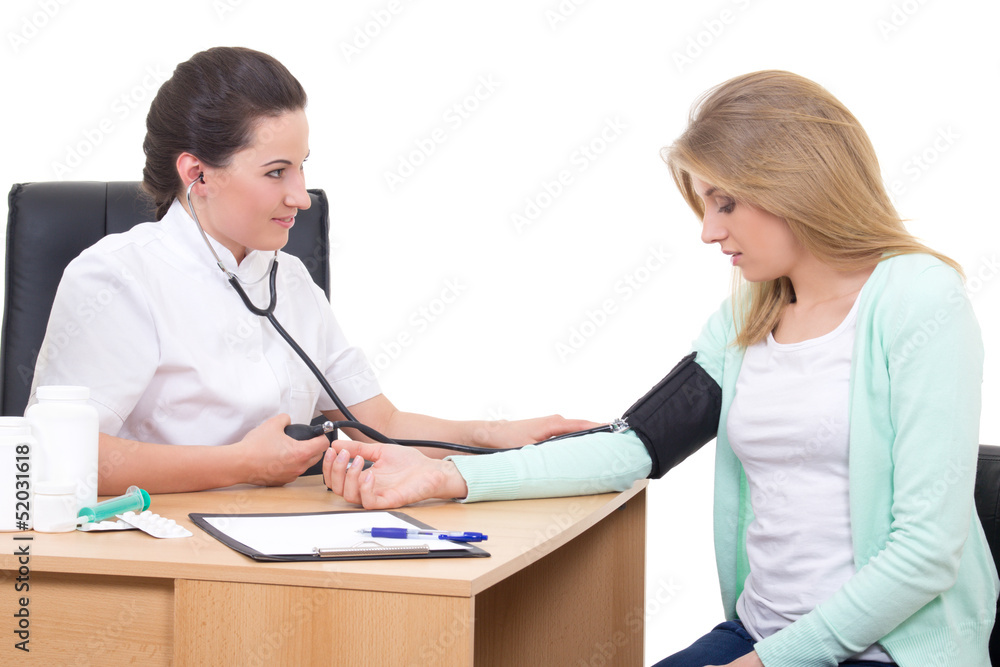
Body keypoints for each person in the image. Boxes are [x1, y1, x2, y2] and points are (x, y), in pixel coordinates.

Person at [323, 70, 999, 666]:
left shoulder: (919, 301)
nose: (709, 230)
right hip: (760, 634)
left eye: (725, 202)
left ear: (796, 182)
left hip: (888, 652)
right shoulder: (746, 316)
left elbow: (925, 551)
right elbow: (635, 445)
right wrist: (444, 475)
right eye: (705, 205)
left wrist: (768, 664)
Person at [28, 46, 593, 496]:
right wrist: (240, 464)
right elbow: (62, 454)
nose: (300, 196)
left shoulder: (289, 278)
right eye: (276, 172)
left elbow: (378, 424)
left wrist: (500, 436)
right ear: (197, 174)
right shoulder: (116, 277)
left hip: (279, 542)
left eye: (301, 168)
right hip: (155, 552)